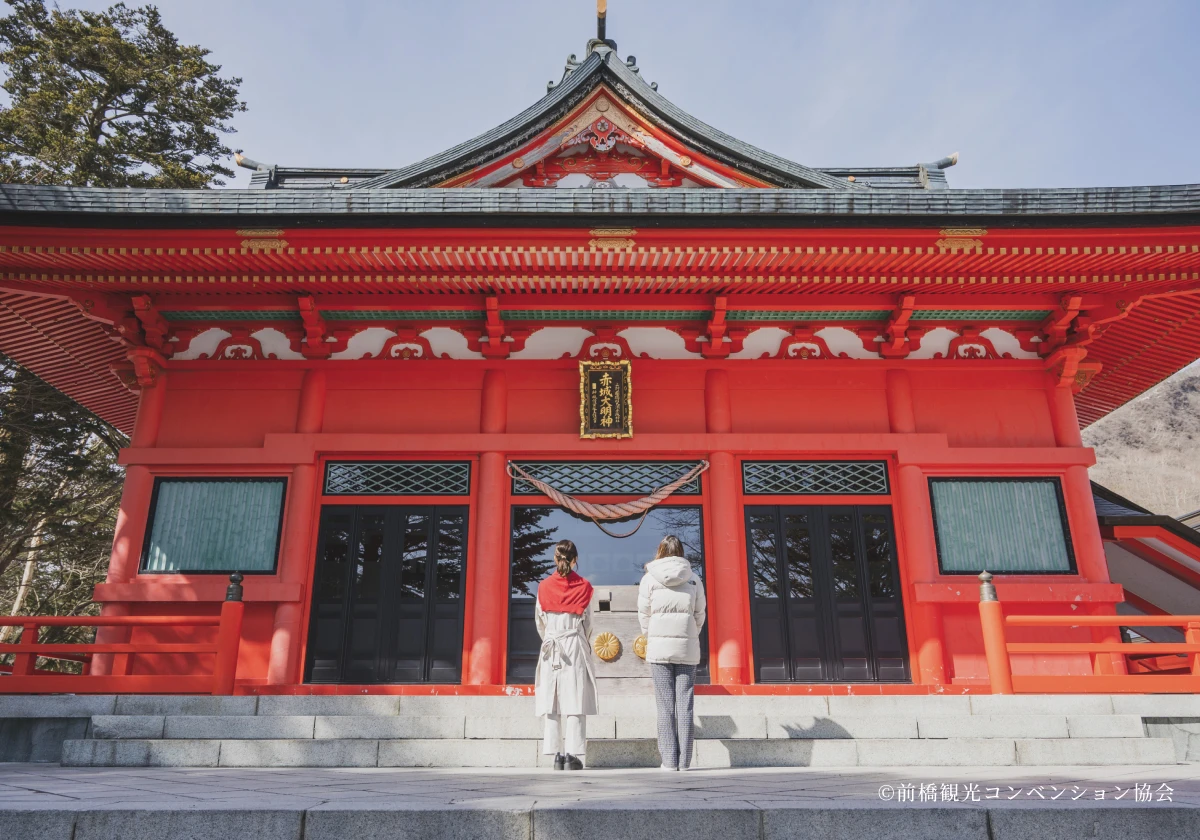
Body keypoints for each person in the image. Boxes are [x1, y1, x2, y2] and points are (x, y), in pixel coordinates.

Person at [638, 534, 707, 771]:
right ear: (681, 552)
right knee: (685, 705)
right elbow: (700, 615)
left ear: (660, 551)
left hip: (659, 650)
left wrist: (651, 637)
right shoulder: (694, 579)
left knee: (665, 705)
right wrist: (690, 635)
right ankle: (684, 762)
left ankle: (669, 761)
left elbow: (644, 615)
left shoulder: (649, 579)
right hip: (687, 649)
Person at [534, 539, 599, 770]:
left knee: (551, 700)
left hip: (551, 644)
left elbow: (540, 622)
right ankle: (572, 754)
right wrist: (580, 640)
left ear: (555, 558)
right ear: (575, 560)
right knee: (575, 699)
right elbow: (589, 623)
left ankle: (556, 754)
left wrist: (550, 637)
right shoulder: (585, 587)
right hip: (573, 644)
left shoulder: (543, 587)